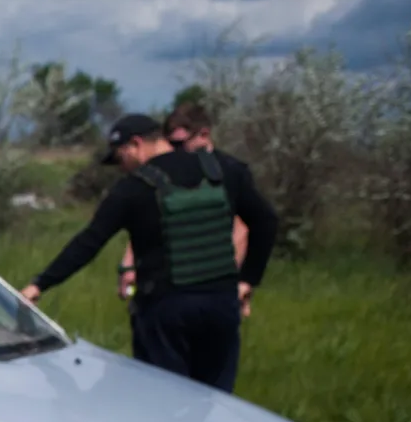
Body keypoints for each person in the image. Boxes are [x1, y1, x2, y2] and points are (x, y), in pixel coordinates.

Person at [19, 113, 278, 393]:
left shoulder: (133, 188)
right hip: (220, 305)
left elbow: (89, 242)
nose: (122, 168)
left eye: (120, 158)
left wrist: (40, 283)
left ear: (136, 144)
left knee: (162, 403)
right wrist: (248, 279)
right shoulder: (224, 171)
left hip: (165, 311)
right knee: (216, 402)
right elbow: (266, 221)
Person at [117, 102, 253, 318]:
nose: (173, 150)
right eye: (171, 143)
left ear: (204, 134)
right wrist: (129, 264)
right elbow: (149, 220)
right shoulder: (167, 171)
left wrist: (233, 283)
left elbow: (242, 228)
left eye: (180, 144)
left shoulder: (228, 171)